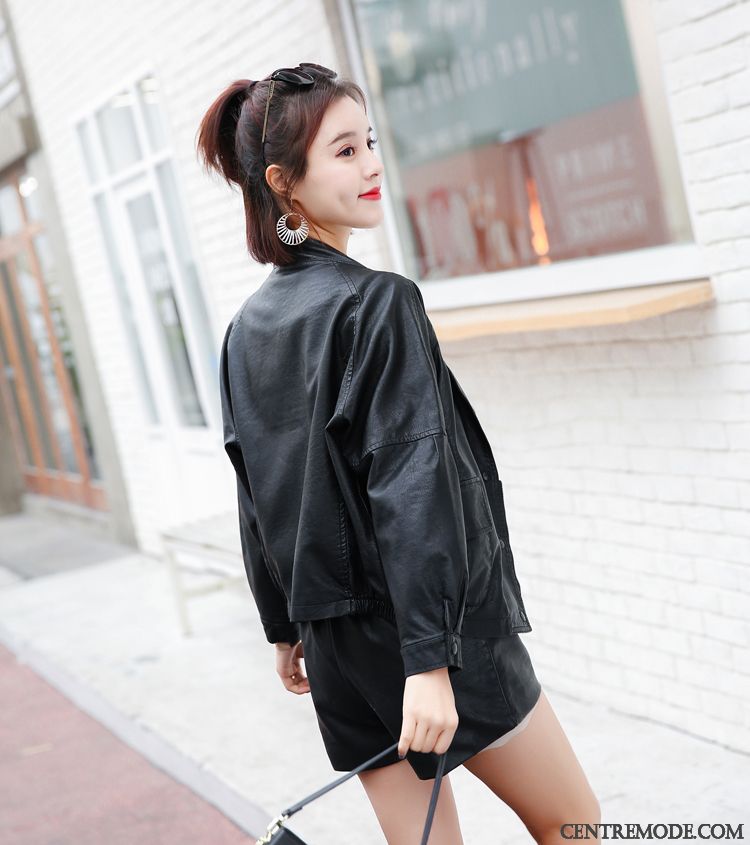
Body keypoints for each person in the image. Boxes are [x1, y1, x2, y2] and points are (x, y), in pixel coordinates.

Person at [196, 62, 601, 845]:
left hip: (336, 647)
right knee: (578, 824)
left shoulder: (246, 330)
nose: (372, 164)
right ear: (283, 183)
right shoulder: (378, 301)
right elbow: (413, 483)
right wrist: (429, 661)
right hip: (429, 635)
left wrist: (284, 626)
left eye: (370, 142)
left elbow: (256, 491)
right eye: (344, 151)